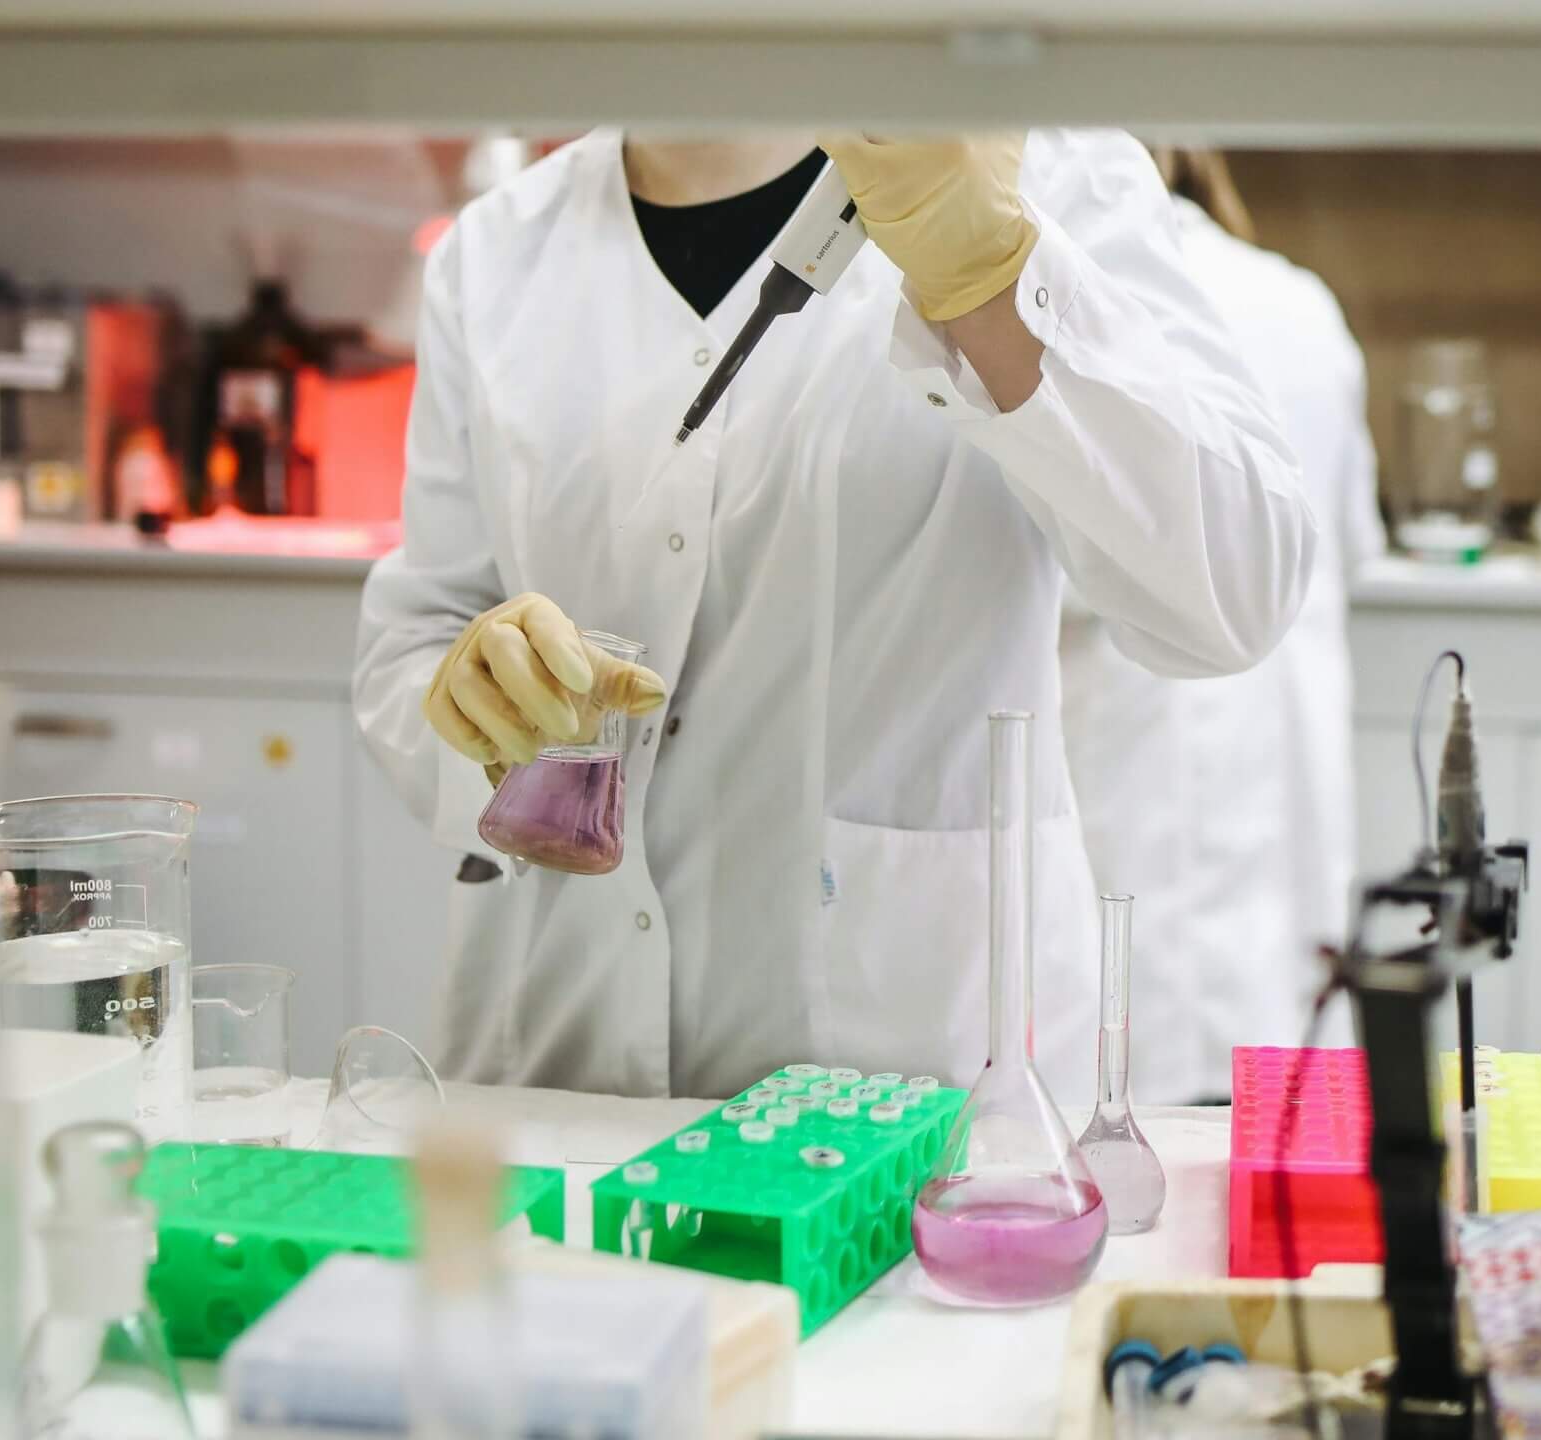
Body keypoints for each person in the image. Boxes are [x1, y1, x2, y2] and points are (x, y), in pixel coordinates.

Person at [354, 132, 1316, 1101]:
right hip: (558, 1073)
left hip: (911, 1091)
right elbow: (416, 636)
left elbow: (1234, 594)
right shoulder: (495, 254)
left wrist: (995, 279)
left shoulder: (1043, 172)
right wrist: (471, 704)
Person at [1059, 146, 1384, 1102]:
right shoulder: (1303, 306)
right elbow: (1350, 546)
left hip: (1119, 826)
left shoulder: (1060, 297)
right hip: (1283, 846)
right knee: (1273, 1170)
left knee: (1131, 1156)